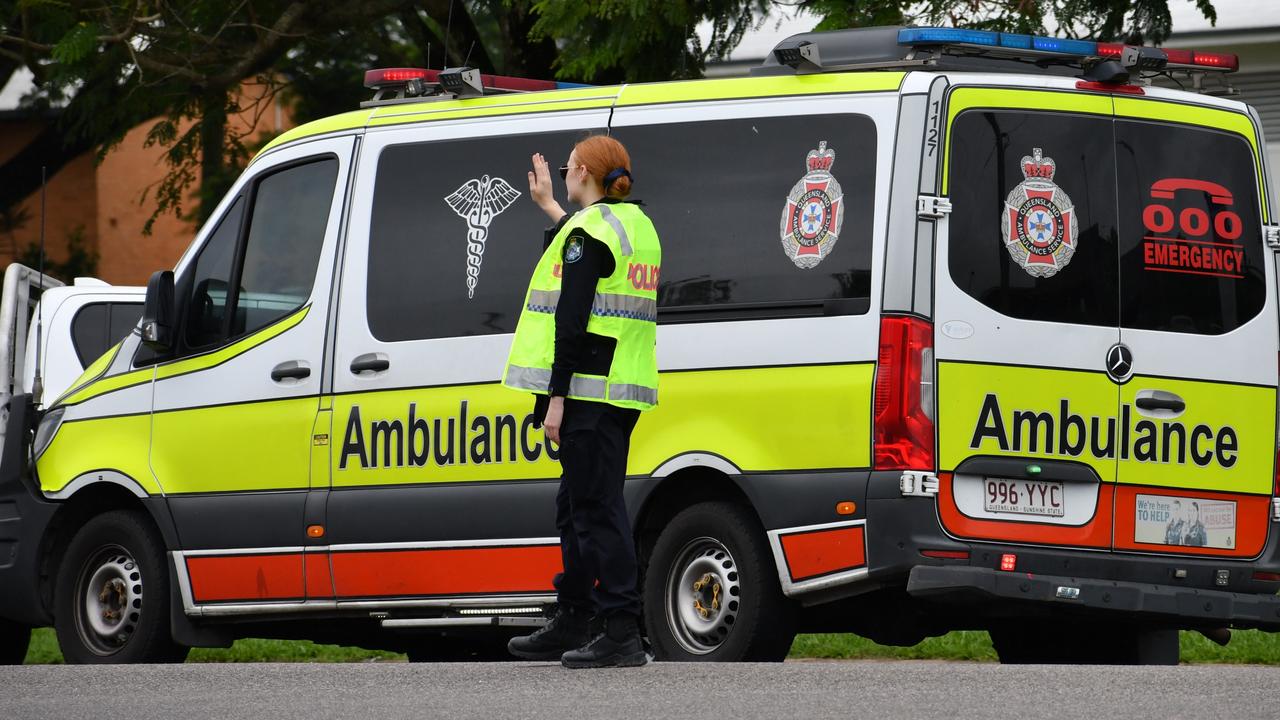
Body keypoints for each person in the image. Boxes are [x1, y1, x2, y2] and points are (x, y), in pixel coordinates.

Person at [502, 135, 661, 668]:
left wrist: (555, 400)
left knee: (597, 510)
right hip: (621, 389)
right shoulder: (634, 225)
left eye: (568, 167)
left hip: (588, 392)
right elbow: (587, 253)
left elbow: (569, 323)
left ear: (585, 174)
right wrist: (548, 203)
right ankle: (574, 614)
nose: (564, 173)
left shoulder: (590, 232)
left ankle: (620, 630)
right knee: (576, 507)